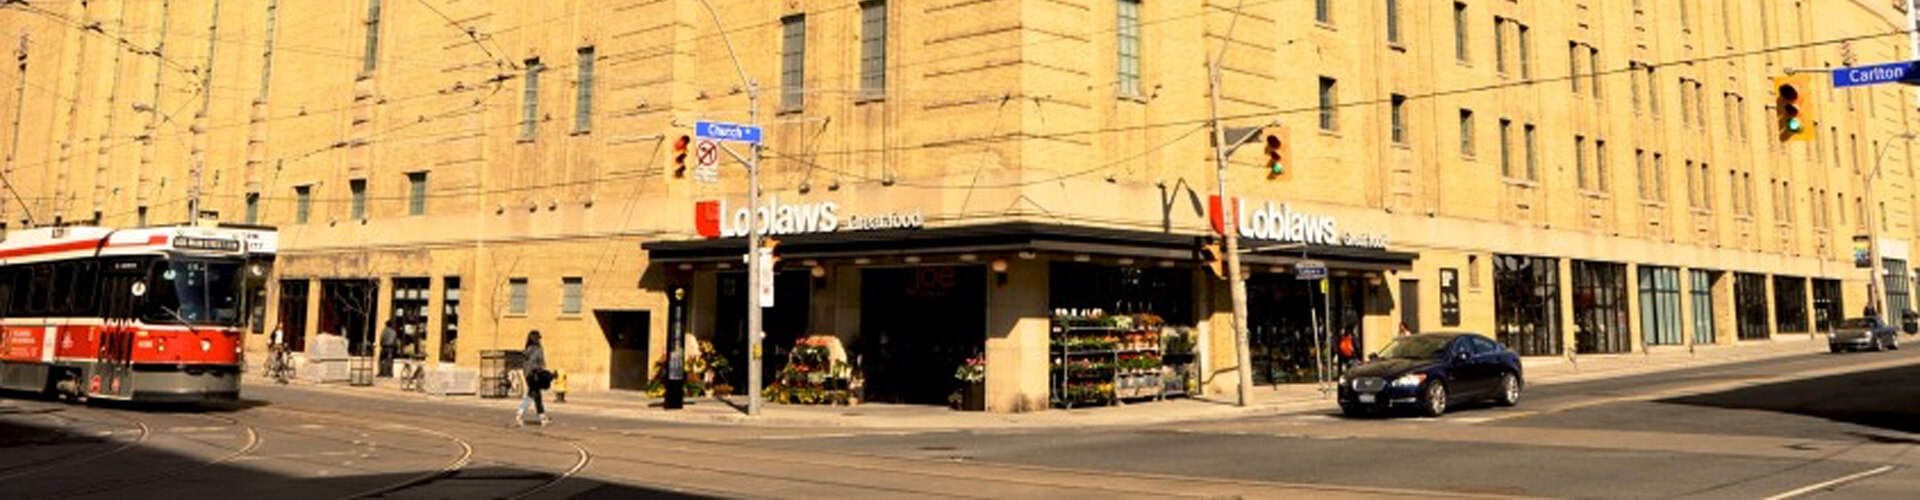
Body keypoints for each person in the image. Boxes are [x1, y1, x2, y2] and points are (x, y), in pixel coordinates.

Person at [515, 329, 550, 427]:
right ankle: (542, 416)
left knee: (531, 394)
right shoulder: (539, 349)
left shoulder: (527, 349)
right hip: (536, 375)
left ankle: (520, 412)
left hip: (528, 375)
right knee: (537, 396)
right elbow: (541, 362)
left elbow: (524, 362)